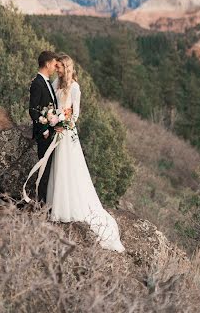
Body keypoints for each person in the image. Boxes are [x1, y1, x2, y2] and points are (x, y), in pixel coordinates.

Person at [46, 53, 126, 253]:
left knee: (69, 168)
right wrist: (51, 118)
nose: (57, 70)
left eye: (60, 67)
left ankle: (68, 207)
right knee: (57, 167)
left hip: (67, 132)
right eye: (56, 67)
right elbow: (52, 106)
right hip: (56, 129)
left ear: (67, 68)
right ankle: (54, 203)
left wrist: (63, 123)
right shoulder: (56, 83)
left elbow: (76, 114)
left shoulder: (75, 87)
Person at [28, 50, 59, 204]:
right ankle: (41, 205)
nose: (55, 67)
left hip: (52, 133)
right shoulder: (37, 83)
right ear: (47, 64)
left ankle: (46, 202)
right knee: (44, 170)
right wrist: (45, 130)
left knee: (48, 170)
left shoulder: (48, 83)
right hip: (44, 135)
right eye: (54, 64)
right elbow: (33, 110)